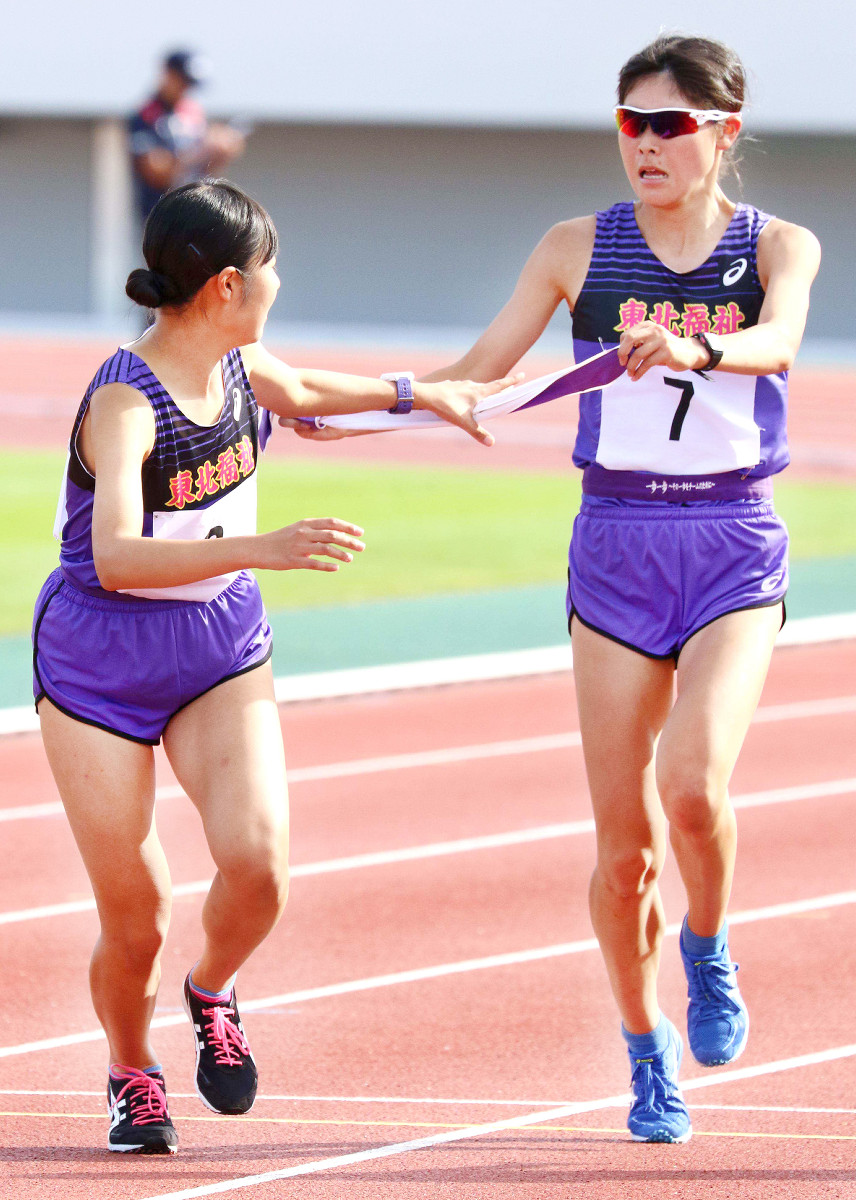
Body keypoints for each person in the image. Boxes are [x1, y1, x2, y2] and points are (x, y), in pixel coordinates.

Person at [293, 34, 821, 1143]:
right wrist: (347, 405)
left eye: (669, 124)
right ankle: (645, 1054)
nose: (645, 144)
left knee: (692, 782)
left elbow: (777, 343)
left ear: (723, 132)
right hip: (616, 543)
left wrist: (694, 349)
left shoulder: (776, 245)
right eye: (629, 122)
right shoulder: (575, 247)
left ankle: (709, 945)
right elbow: (477, 377)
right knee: (623, 848)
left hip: (730, 540)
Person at [32, 179, 514, 1155]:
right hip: (99, 660)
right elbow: (117, 555)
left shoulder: (238, 358)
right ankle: (132, 1069)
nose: (280, 281)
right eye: (270, 268)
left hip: (213, 643)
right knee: (135, 920)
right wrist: (263, 546)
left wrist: (425, 394)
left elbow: (298, 391)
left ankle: (212, 991)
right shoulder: (128, 400)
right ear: (222, 288)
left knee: (258, 869)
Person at [129, 50, 246, 224]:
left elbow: (207, 172)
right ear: (168, 75)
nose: (187, 90)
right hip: (163, 216)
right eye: (184, 82)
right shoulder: (146, 115)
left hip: (196, 210)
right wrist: (200, 152)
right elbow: (154, 171)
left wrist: (221, 150)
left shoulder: (193, 113)